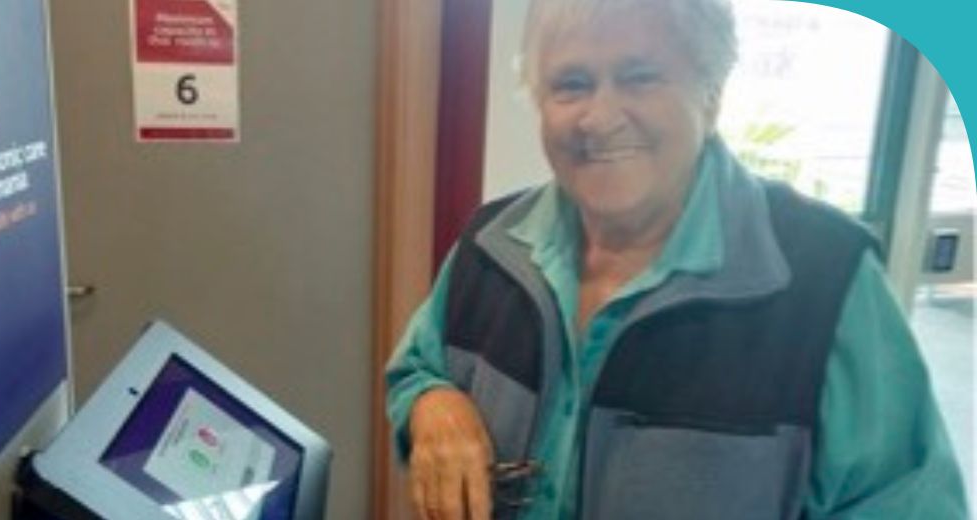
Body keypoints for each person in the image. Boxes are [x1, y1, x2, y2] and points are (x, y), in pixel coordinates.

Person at [384, 0, 969, 518]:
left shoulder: (826, 280)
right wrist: (435, 405)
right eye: (571, 84)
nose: (600, 117)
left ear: (711, 94)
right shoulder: (491, 243)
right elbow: (415, 368)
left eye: (639, 77)